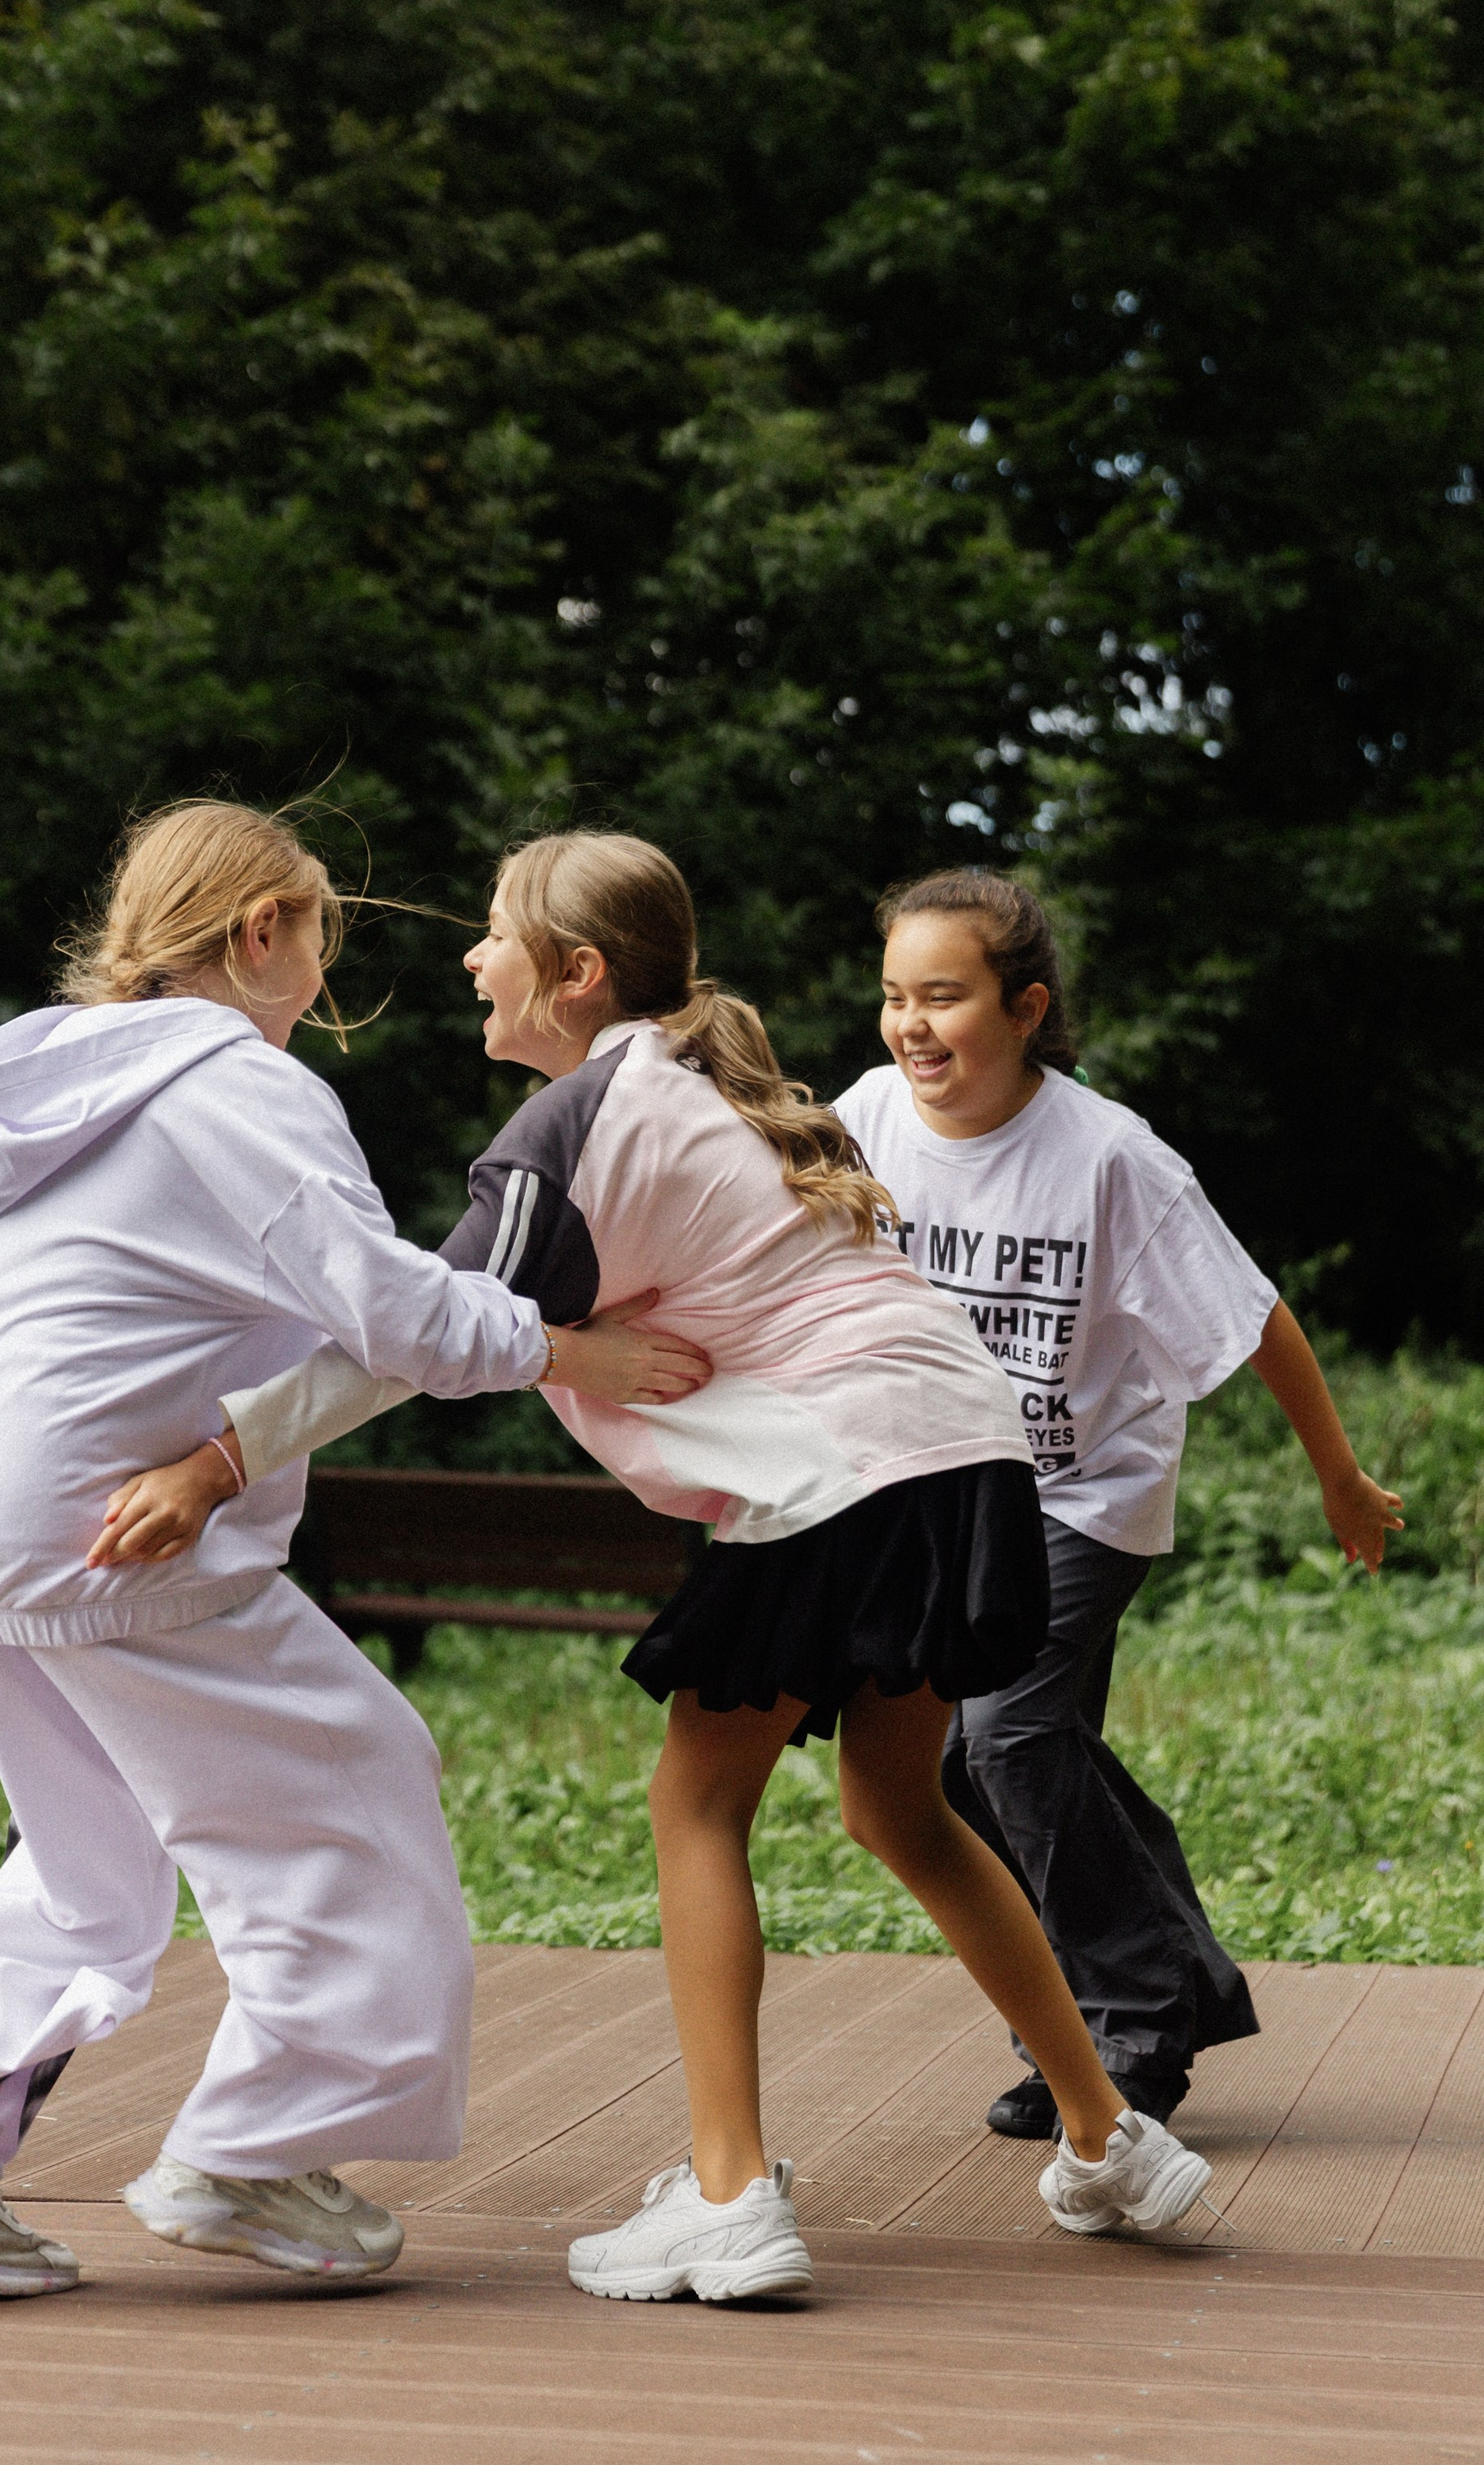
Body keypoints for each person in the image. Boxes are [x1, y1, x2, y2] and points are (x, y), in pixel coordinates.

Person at [106, 832, 1223, 2300]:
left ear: (575, 976)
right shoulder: (705, 1079)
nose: (467, 958)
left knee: (695, 1807)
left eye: (494, 934)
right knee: (901, 1806)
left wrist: (212, 1461)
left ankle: (729, 2194)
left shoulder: (576, 1122)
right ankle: (1108, 2135)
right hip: (967, 1453)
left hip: (851, 1467)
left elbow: (407, 1333)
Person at [0, 800, 708, 2299]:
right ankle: (248, 2157)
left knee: (89, 1873)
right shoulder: (237, 1086)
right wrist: (572, 1348)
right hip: (104, 1530)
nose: (324, 965)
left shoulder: (73, 1085)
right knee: (352, 1786)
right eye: (318, 931)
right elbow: (406, 1320)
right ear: (257, 934)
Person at [832, 867, 1403, 2140]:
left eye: (943, 997)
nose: (910, 1026)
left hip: (1082, 1494)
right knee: (976, 1764)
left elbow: (1252, 1318)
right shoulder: (865, 1117)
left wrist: (1338, 1478)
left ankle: (1137, 2014)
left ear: (1024, 1006)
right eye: (892, 997)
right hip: (941, 1500)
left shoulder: (1106, 1158)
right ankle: (1092, 2017)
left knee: (1012, 1740)